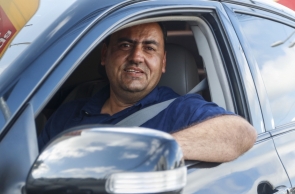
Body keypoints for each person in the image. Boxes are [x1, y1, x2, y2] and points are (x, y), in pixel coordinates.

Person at [38, 22, 257, 162]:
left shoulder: (180, 109)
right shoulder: (67, 113)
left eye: (149, 48)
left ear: (163, 63)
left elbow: (241, 133)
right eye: (125, 45)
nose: (136, 56)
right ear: (104, 55)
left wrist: (147, 149)